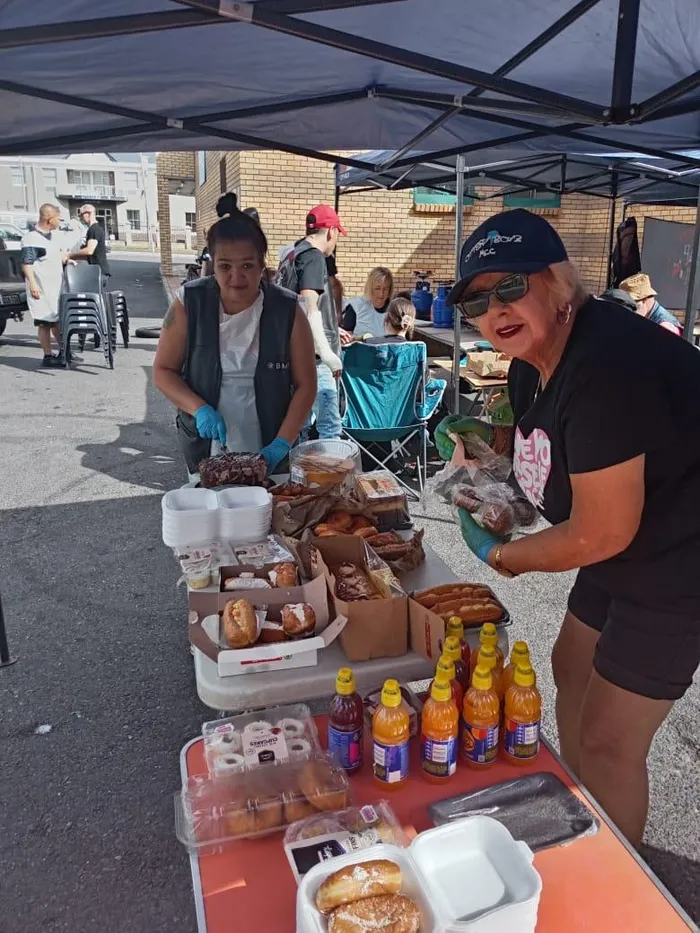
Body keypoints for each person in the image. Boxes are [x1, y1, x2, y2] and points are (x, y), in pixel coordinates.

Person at [435, 208, 700, 848]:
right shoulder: (530, 363)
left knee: (611, 737)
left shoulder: (606, 362)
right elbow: (548, 460)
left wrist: (507, 556)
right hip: (630, 545)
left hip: (680, 558)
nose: (493, 309)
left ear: (558, 281)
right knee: (570, 667)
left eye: (510, 286)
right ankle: (586, 823)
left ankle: (614, 879)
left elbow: (598, 532)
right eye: (475, 299)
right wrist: (488, 456)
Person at [153, 192, 317, 477]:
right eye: (225, 266)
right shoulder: (188, 302)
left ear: (262, 264)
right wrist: (199, 408)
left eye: (247, 266)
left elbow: (306, 385)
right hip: (206, 443)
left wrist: (282, 443)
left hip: (272, 438)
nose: (236, 277)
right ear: (212, 264)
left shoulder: (289, 310)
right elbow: (163, 370)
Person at [275, 204, 347, 439]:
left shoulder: (292, 253)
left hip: (293, 355)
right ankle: (329, 475)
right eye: (337, 234)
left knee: (301, 425)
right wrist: (328, 354)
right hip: (314, 360)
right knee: (329, 429)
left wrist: (331, 327)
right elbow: (308, 304)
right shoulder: (315, 257)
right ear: (330, 231)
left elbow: (299, 306)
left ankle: (300, 474)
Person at [21, 203, 71, 368]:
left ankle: (65, 352)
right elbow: (27, 264)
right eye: (58, 218)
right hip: (41, 288)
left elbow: (55, 256)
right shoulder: (32, 238)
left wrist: (67, 260)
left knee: (56, 319)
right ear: (49, 219)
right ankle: (48, 356)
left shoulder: (53, 236)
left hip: (54, 288)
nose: (59, 221)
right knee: (44, 322)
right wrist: (33, 284)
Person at [343, 266, 394, 338]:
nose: (381, 294)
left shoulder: (395, 309)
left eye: (385, 289)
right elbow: (346, 336)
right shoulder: (356, 306)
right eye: (377, 288)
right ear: (370, 287)